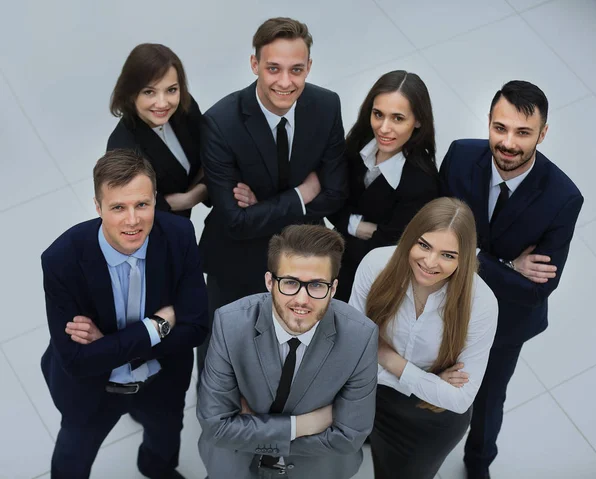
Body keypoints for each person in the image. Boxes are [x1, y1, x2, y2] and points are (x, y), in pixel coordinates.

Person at [439, 80, 583, 479]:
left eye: (523, 133)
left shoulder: (563, 197)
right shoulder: (459, 155)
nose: (508, 143)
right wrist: (502, 262)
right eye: (500, 128)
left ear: (543, 133)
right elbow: (432, 232)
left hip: (507, 320)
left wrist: (466, 257)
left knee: (488, 397)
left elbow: (537, 289)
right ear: (488, 121)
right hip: (443, 295)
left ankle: (478, 462)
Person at [41, 150, 208, 479]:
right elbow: (77, 360)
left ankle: (154, 468)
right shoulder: (61, 259)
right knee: (71, 460)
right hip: (92, 392)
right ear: (98, 206)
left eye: (142, 205)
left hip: (162, 380)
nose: (132, 220)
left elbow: (197, 327)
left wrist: (108, 345)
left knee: (163, 441)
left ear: (155, 200)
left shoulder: (178, 236)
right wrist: (155, 327)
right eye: (118, 207)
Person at [196, 17, 347, 371]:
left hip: (302, 258)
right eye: (273, 68)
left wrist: (262, 208)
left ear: (309, 66)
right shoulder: (220, 122)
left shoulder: (326, 106)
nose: (285, 82)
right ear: (254, 65)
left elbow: (336, 193)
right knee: (221, 350)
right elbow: (235, 222)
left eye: (296, 69)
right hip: (235, 261)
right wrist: (301, 195)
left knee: (291, 348)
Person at [197, 225, 378, 479]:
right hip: (235, 468)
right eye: (290, 282)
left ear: (334, 288)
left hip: (317, 470)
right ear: (269, 282)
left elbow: (349, 437)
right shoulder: (230, 323)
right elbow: (216, 427)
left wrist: (248, 430)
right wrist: (301, 426)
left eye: (316, 285)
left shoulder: (360, 336)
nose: (302, 300)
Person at [349, 197, 498, 479]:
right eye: (424, 245)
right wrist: (430, 381)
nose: (430, 263)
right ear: (410, 237)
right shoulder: (376, 264)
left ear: (464, 258)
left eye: (448, 255)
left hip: (429, 419)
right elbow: (352, 350)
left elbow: (459, 399)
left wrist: (387, 357)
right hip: (369, 395)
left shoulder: (481, 304)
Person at [329, 70, 440, 302]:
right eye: (378, 114)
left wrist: (347, 222)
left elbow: (391, 244)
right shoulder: (359, 142)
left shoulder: (423, 181)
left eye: (398, 118)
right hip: (333, 259)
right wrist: (361, 227)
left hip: (372, 279)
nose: (383, 128)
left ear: (418, 120)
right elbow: (331, 201)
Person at [108, 43, 207, 218]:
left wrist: (192, 197)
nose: (162, 103)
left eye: (171, 90)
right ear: (131, 93)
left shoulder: (185, 106)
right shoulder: (121, 149)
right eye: (149, 92)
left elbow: (214, 151)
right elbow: (140, 212)